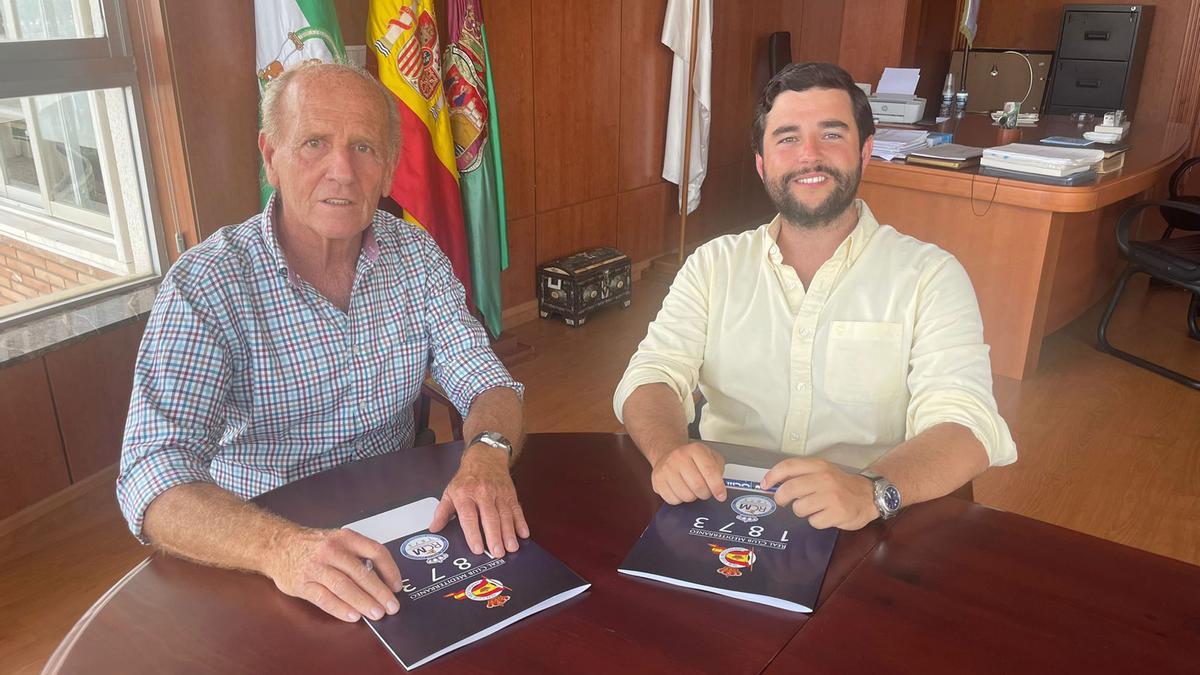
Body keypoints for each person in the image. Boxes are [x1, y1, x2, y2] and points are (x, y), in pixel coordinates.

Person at [117, 62, 527, 624]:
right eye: (314, 142)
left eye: (364, 147)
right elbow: (151, 473)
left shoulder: (417, 256)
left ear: (387, 172)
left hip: (404, 524)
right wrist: (280, 549)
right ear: (271, 158)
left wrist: (490, 450)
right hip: (268, 550)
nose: (342, 171)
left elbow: (486, 380)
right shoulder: (207, 285)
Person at [613, 62, 1016, 531]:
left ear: (865, 152)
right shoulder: (713, 264)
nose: (809, 155)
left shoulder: (930, 276)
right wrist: (669, 451)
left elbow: (966, 425)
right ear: (762, 164)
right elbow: (651, 375)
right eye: (786, 137)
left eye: (831, 134)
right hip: (726, 505)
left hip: (870, 518)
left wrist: (872, 490)